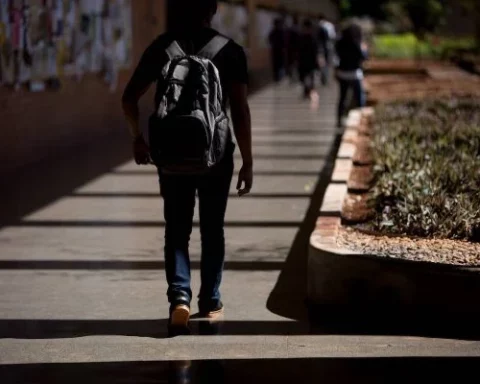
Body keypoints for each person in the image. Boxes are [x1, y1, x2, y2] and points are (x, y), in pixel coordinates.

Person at [122, 0, 253, 332]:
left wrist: (138, 138)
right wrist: (248, 161)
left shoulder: (162, 47)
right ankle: (210, 300)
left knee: (176, 229)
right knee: (213, 229)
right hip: (216, 155)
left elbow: (129, 97)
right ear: (212, 10)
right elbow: (239, 110)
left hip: (170, 155)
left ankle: (179, 298)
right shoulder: (230, 51)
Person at [335, 23, 368, 127]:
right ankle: (360, 118)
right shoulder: (356, 43)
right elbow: (363, 57)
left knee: (342, 97)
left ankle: (339, 119)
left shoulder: (340, 43)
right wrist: (364, 48)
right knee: (359, 98)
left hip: (342, 73)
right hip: (354, 74)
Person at [297, 19, 318, 99]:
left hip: (308, 61)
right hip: (305, 61)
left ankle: (309, 91)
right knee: (305, 77)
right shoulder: (303, 37)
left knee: (310, 76)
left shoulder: (310, 37)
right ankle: (308, 90)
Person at [317, 13, 336, 86]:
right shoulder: (329, 25)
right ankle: (325, 78)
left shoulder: (318, 25)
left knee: (322, 63)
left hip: (321, 47)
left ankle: (323, 77)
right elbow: (333, 36)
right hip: (328, 46)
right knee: (327, 63)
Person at [268, 17, 286, 82]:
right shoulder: (281, 32)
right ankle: (279, 78)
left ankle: (277, 78)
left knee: (277, 65)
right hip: (278, 51)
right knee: (279, 65)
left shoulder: (273, 32)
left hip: (276, 51)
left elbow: (270, 40)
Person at [286, 15, 300, 81]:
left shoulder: (290, 29)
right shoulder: (298, 29)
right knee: (295, 63)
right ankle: (295, 76)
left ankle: (292, 76)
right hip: (296, 49)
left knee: (292, 64)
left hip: (291, 49)